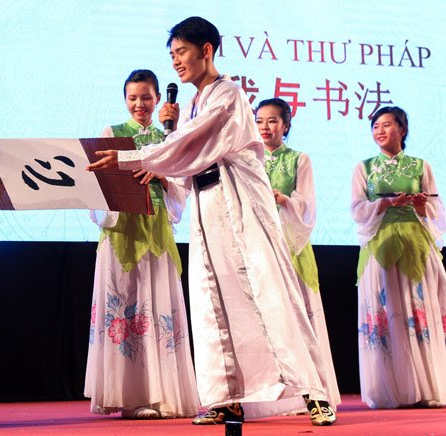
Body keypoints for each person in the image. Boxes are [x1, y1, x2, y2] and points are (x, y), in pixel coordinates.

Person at [87, 17, 336, 426]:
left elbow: (192, 145)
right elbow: (185, 156)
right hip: (207, 205)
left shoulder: (229, 95)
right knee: (212, 299)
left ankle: (314, 393)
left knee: (270, 292)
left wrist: (132, 155)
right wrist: (169, 138)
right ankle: (226, 398)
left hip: (241, 204)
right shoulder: (193, 104)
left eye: (182, 52)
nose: (176, 62)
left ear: (206, 50)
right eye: (172, 55)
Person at [84, 69, 200, 419]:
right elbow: (96, 185)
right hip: (122, 230)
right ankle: (129, 396)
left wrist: (161, 173)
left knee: (157, 304)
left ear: (157, 100)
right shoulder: (113, 134)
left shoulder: (169, 137)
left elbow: (183, 186)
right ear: (125, 100)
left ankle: (162, 393)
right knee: (127, 308)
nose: (140, 104)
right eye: (133, 98)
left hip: (156, 228)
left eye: (146, 97)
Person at [351, 106, 446, 409]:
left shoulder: (421, 166)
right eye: (375, 126)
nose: (379, 131)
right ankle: (388, 390)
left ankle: (426, 388)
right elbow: (356, 209)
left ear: (402, 130)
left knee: (416, 310)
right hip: (381, 245)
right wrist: (386, 203)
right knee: (385, 311)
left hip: (416, 245)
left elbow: (435, 209)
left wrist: (419, 206)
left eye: (387, 125)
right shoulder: (364, 168)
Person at [256, 98, 341, 412]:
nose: (265, 127)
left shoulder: (299, 159)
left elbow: (307, 205)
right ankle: (270, 396)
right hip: (259, 245)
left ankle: (310, 392)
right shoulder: (248, 159)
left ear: (286, 125)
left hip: (291, 245)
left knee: (300, 318)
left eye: (273, 121)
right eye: (260, 120)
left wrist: (283, 199)